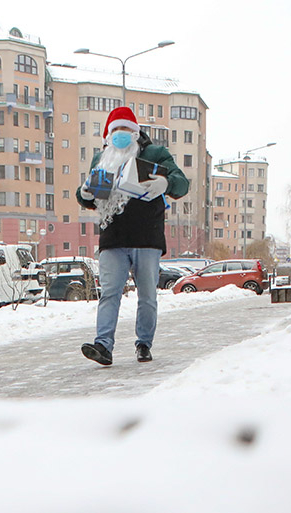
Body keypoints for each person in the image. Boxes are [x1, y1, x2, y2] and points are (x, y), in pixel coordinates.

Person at [76, 106, 189, 366]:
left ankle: (144, 343)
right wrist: (85, 193)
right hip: (113, 237)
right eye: (115, 130)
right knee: (110, 293)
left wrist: (166, 183)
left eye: (125, 129)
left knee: (147, 294)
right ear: (107, 136)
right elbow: (93, 198)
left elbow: (181, 183)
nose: (120, 134)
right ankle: (103, 345)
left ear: (135, 131)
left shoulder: (154, 154)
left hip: (146, 236)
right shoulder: (103, 159)